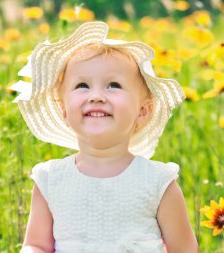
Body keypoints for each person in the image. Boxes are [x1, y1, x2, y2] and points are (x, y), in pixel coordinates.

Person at [10, 21, 198, 253]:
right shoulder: (51, 180)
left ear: (142, 111)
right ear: (65, 112)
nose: (96, 96)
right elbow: (36, 244)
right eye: (82, 85)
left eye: (113, 85)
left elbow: (184, 249)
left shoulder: (158, 182)